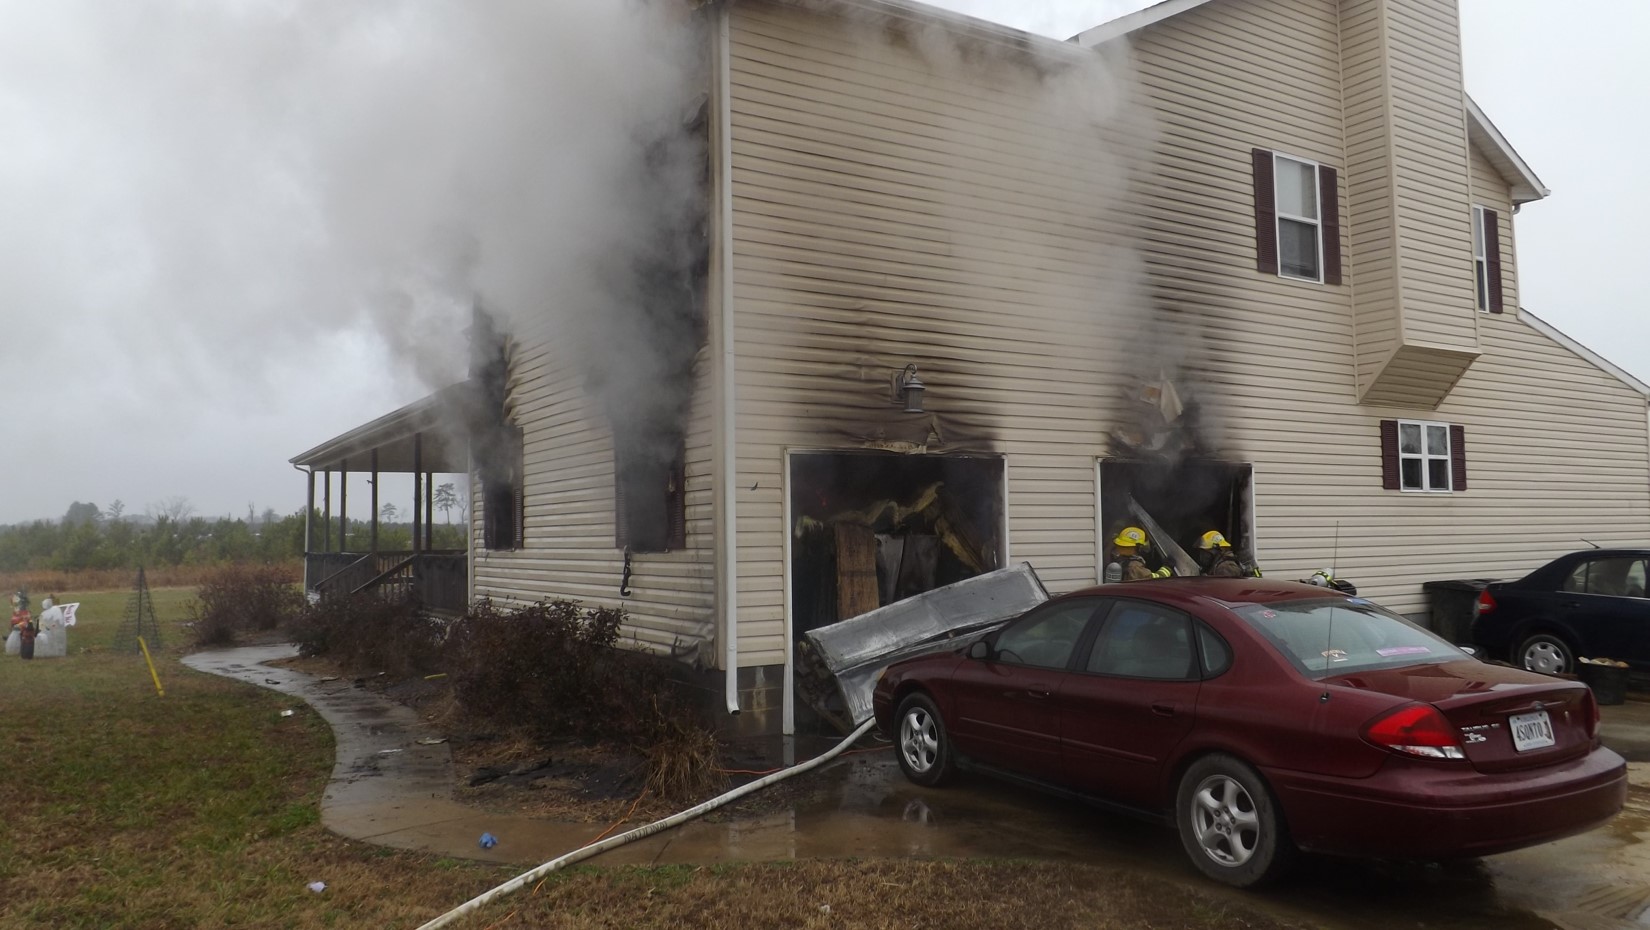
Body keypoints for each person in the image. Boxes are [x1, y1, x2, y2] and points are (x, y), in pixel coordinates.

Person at [1106, 526, 1171, 582]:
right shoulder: (1134, 566)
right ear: (1139, 548)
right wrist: (1167, 568)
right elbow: (1155, 580)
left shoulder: (1119, 560)